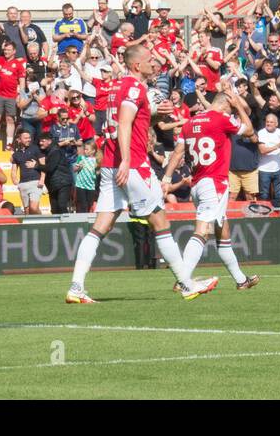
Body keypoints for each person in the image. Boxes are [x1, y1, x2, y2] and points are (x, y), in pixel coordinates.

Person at [67, 45, 216, 303]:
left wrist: (157, 114)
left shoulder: (116, 87)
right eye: (149, 60)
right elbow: (125, 122)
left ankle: (76, 287)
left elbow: (133, 121)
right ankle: (185, 283)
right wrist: (127, 161)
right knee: (160, 222)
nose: (154, 63)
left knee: (100, 226)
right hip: (132, 164)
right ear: (136, 65)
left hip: (112, 165)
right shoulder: (134, 88)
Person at [162, 88, 260, 291]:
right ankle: (183, 279)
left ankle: (241, 280)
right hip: (214, 182)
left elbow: (179, 151)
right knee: (203, 231)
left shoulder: (190, 122)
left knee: (222, 230)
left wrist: (167, 177)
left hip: (198, 184)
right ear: (226, 103)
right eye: (232, 107)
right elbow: (250, 131)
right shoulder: (221, 118)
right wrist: (240, 108)